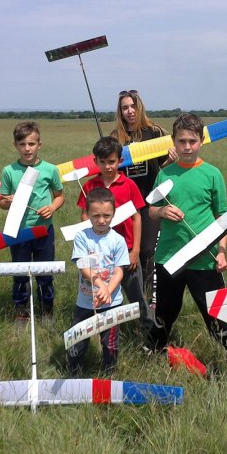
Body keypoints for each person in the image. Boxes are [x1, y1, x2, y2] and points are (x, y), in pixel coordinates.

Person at [146, 113, 227, 380]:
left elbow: (222, 217)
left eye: (192, 141)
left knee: (217, 314)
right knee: (165, 312)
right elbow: (151, 210)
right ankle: (155, 352)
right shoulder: (165, 173)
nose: (186, 147)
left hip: (204, 258)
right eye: (181, 141)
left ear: (201, 141)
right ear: (173, 141)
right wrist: (162, 213)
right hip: (169, 257)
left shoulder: (212, 174)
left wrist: (221, 251)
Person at [109, 90, 176, 301]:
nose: (130, 111)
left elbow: (162, 165)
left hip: (150, 200)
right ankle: (124, 297)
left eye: (133, 106)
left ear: (140, 108)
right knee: (122, 251)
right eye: (125, 107)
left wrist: (171, 160)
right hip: (123, 203)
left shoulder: (155, 133)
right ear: (120, 111)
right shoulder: (115, 137)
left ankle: (150, 298)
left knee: (147, 250)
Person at [77, 136, 148, 329]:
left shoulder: (129, 185)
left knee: (136, 294)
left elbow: (137, 218)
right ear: (95, 162)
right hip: (99, 255)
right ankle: (105, 329)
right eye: (103, 162)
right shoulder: (89, 187)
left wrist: (135, 252)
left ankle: (146, 330)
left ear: (120, 161)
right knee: (102, 294)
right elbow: (84, 216)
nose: (108, 166)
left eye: (112, 162)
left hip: (127, 248)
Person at [0, 121, 64, 323]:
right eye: (22, 144)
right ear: (15, 145)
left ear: (39, 144)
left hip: (44, 231)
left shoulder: (50, 169)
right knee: (19, 273)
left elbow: (60, 196)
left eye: (31, 144)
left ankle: (47, 311)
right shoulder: (8, 171)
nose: (27, 149)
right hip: (18, 233)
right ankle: (21, 312)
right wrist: (7, 201)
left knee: (45, 273)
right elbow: (1, 202)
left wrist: (52, 207)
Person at [67, 187, 129, 375]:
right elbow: (82, 265)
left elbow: (119, 270)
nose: (101, 220)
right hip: (85, 302)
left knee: (110, 343)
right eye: (96, 216)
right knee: (77, 339)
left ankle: (108, 373)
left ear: (114, 214)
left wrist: (108, 290)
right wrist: (99, 284)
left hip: (111, 303)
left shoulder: (118, 240)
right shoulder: (82, 237)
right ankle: (74, 371)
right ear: (86, 214)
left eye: (106, 215)